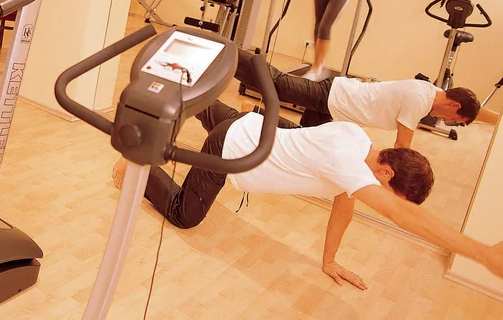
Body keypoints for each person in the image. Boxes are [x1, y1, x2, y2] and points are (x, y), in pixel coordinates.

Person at [112, 100, 503, 288]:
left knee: (224, 113)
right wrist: (482, 254)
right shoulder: (346, 164)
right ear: (386, 172)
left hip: (249, 123)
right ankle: (137, 167)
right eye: (390, 194)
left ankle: (182, 98)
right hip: (229, 148)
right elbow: (404, 217)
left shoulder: (358, 140)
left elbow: (344, 209)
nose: (383, 201)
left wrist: (329, 260)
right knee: (185, 216)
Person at [233, 49, 483, 148]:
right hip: (335, 97)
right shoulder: (419, 100)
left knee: (305, 140)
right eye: (455, 119)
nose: (447, 122)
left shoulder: (429, 91)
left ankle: (252, 113)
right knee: (276, 83)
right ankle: (227, 54)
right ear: (454, 105)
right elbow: (402, 147)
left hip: (337, 108)